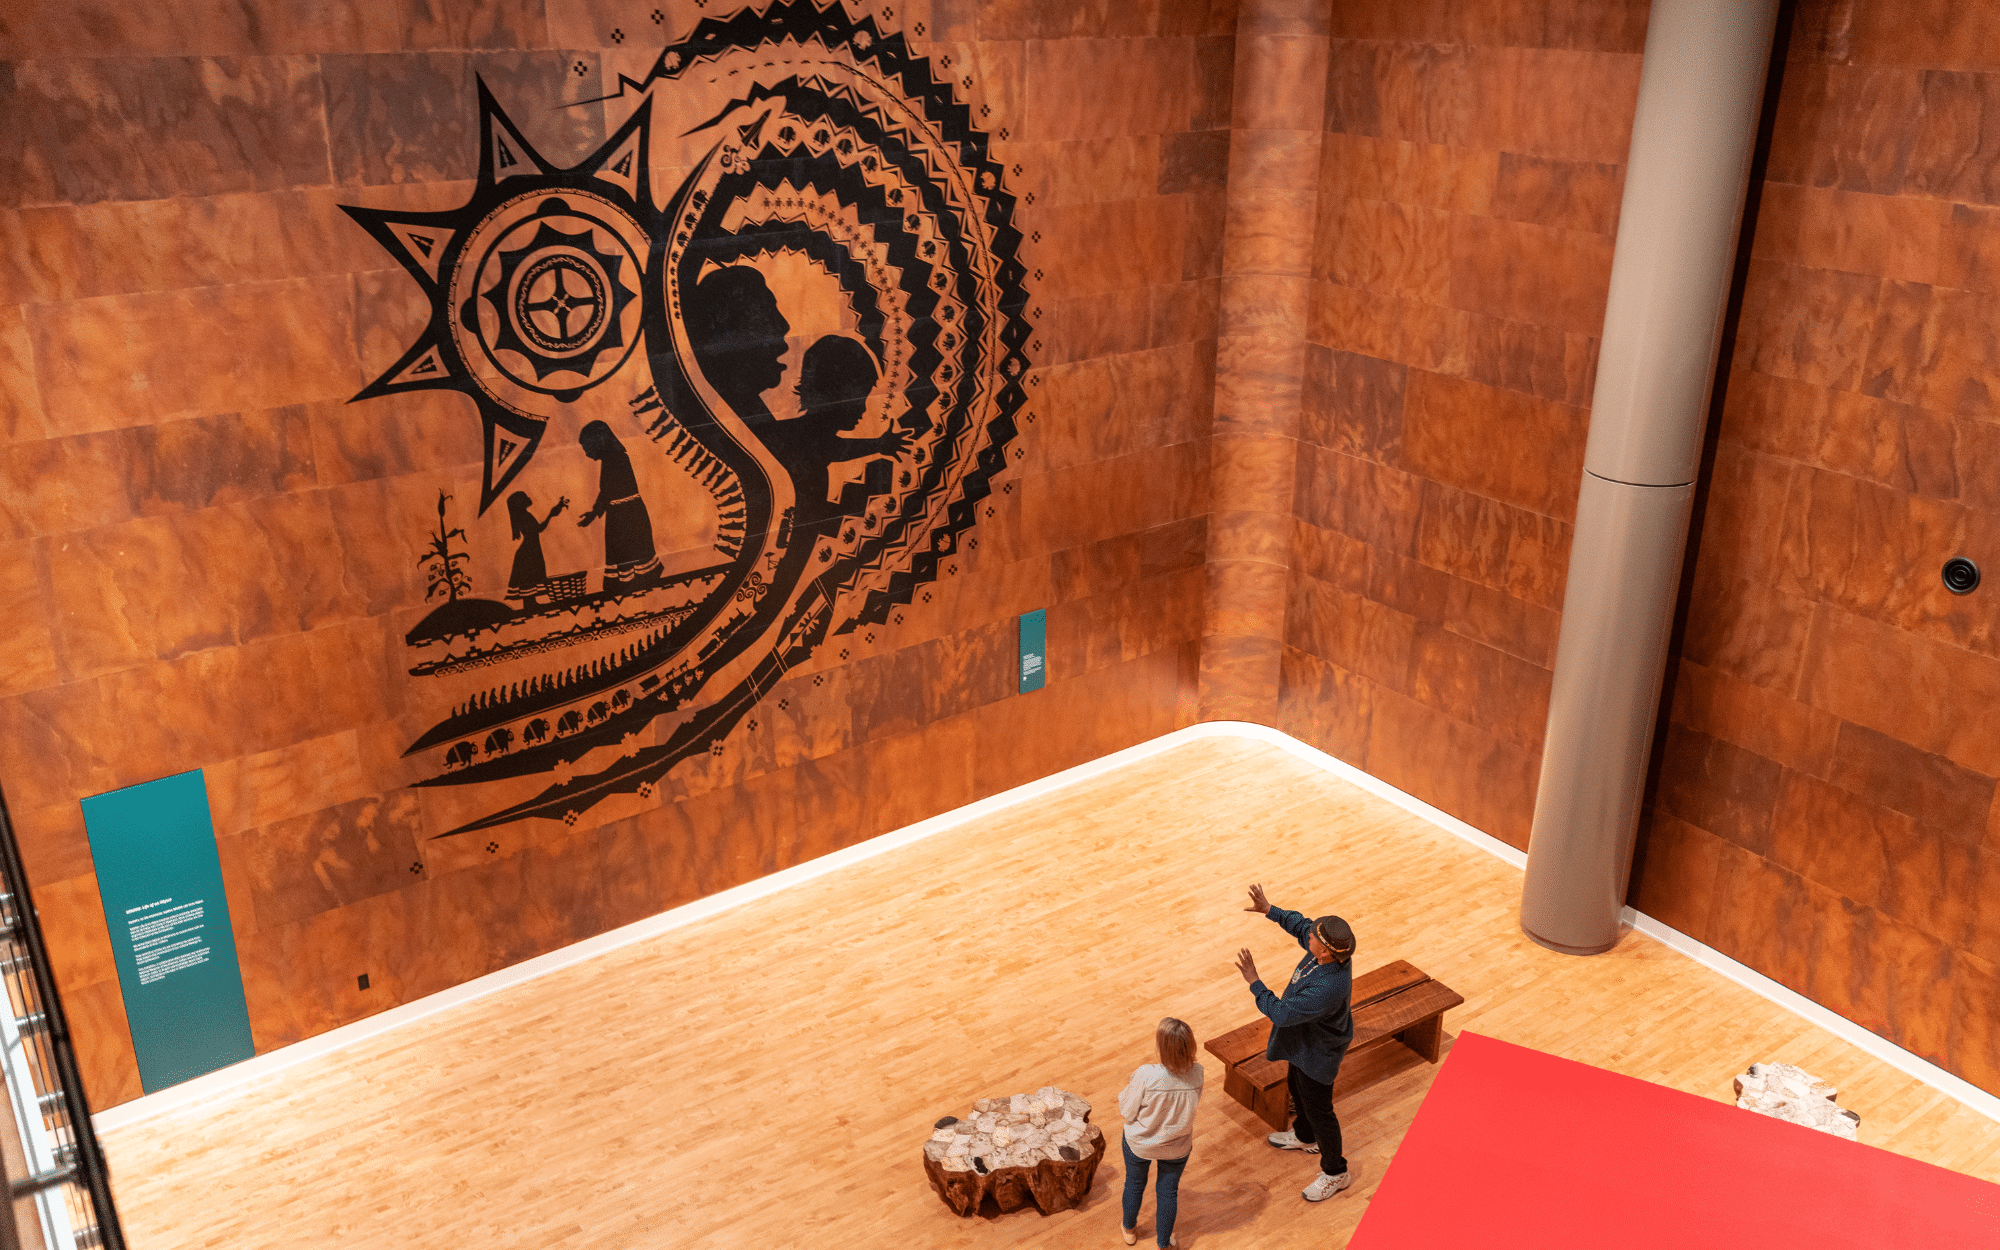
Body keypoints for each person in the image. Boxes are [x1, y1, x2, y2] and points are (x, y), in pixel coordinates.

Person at [1234, 882, 1356, 1203]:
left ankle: (1336, 1172)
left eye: (1314, 937)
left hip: (1319, 1052)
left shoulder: (1327, 987)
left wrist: (1255, 982)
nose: (1308, 935)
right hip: (1304, 1041)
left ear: (1325, 951)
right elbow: (1302, 925)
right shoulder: (1326, 954)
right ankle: (1304, 1135)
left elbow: (1282, 1014)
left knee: (1320, 1111)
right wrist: (1269, 910)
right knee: (1296, 1087)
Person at [1117, 1017, 1202, 1248]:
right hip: (1177, 1145)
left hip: (1140, 1143)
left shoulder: (1146, 1074)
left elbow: (1126, 1110)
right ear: (1190, 1044)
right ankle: (1164, 1243)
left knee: (1134, 1184)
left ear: (1162, 1046)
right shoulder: (1198, 1073)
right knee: (1168, 1193)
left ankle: (1129, 1228)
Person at [575, 420, 661, 593]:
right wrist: (594, 512)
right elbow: (606, 491)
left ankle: (632, 586)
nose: (587, 453)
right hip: (621, 514)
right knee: (626, 553)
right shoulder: (611, 459)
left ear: (598, 442)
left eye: (587, 447)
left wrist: (595, 512)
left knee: (631, 552)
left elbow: (608, 491)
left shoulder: (617, 458)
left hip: (626, 515)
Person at [503, 491, 567, 607]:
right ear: (520, 503)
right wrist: (551, 515)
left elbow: (537, 529)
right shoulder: (524, 516)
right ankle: (529, 603)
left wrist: (552, 513)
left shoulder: (524, 515)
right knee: (528, 576)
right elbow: (538, 529)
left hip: (531, 549)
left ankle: (530, 602)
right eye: (525, 497)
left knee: (530, 576)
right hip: (529, 551)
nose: (528, 498)